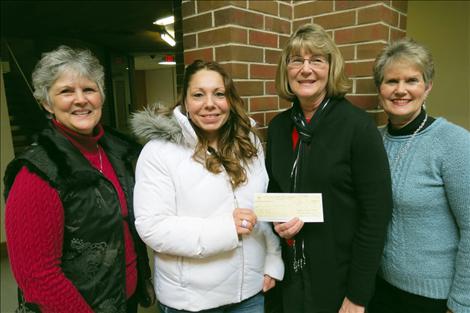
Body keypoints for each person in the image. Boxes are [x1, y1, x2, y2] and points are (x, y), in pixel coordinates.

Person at [3, 45, 155, 313]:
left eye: (89, 89)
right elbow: (38, 277)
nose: (80, 99)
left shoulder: (118, 152)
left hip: (123, 301)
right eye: (65, 91)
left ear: (101, 96)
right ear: (46, 103)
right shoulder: (37, 174)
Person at [130, 59, 284, 313]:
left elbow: (259, 208)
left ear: (230, 100)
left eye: (219, 94)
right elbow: (152, 227)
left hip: (250, 293)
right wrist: (226, 228)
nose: (209, 104)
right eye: (198, 95)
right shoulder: (159, 152)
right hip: (192, 301)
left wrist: (272, 259)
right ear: (185, 102)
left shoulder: (249, 144)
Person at [265, 23, 393, 313]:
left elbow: (376, 215)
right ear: (286, 70)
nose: (306, 69)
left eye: (316, 60)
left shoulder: (357, 127)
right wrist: (279, 219)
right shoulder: (278, 128)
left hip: (339, 281)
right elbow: (275, 189)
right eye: (296, 60)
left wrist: (358, 295)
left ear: (331, 68)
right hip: (289, 277)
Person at [368, 38, 470, 313]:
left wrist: (461, 304)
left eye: (411, 80)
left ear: (427, 87)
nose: (400, 90)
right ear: (380, 89)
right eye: (391, 81)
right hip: (380, 290)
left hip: (434, 300)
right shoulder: (373, 141)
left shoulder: (455, 143)